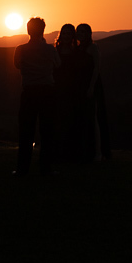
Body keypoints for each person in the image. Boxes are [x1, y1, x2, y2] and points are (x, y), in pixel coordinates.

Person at [14, 17, 62, 176]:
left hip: (29, 92)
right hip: (47, 92)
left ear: (28, 30)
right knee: (47, 131)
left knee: (26, 131)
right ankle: (46, 168)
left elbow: (17, 65)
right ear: (43, 30)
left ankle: (23, 169)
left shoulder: (20, 49)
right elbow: (58, 64)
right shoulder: (50, 50)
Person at [53, 23, 88, 163]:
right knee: (58, 122)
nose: (66, 36)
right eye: (64, 34)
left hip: (73, 92)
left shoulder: (77, 53)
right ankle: (57, 154)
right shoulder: (55, 51)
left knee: (72, 122)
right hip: (57, 91)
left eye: (69, 34)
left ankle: (71, 154)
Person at [77, 23, 111, 160]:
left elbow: (97, 68)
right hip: (80, 85)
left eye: (83, 31)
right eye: (78, 31)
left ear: (89, 33)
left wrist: (91, 87)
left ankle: (98, 151)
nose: (80, 34)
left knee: (95, 117)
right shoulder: (78, 48)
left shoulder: (93, 48)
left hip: (92, 84)